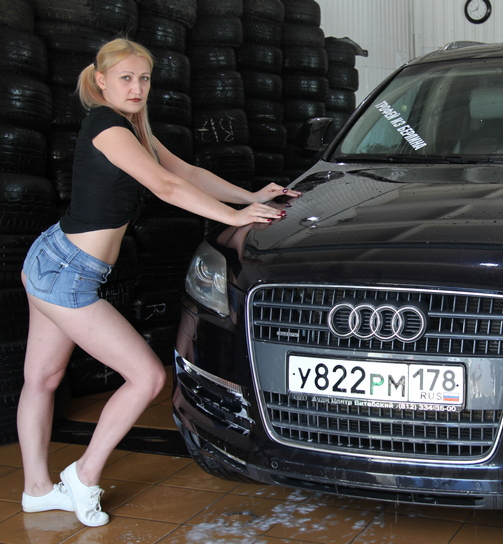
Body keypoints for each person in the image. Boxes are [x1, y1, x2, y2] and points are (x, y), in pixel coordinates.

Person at [17, 38, 299, 527]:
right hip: (64, 271)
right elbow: (166, 187)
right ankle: (82, 477)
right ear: (101, 81)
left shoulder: (133, 129)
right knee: (146, 377)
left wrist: (249, 196)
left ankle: (37, 492)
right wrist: (234, 216)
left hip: (55, 260)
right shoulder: (106, 125)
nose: (137, 87)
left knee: (42, 379)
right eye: (126, 78)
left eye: (144, 78)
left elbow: (185, 172)